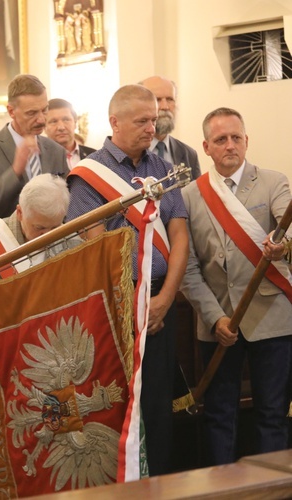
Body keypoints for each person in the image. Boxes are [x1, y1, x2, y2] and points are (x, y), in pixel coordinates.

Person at [66, 84, 189, 476]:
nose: (151, 127)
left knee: (158, 407)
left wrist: (167, 297)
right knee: (120, 408)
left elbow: (181, 235)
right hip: (117, 307)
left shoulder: (162, 168)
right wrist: (128, 302)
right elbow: (93, 248)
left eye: (153, 120)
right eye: (141, 121)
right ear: (114, 122)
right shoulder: (89, 176)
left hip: (161, 306)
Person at [180, 107, 292, 465]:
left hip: (271, 319)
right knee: (218, 415)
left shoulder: (274, 181)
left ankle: (271, 490)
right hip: (219, 322)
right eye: (220, 140)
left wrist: (283, 246)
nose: (230, 145)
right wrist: (215, 319)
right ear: (206, 147)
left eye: (236, 138)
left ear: (247, 141)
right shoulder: (188, 196)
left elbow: (287, 224)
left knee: (272, 414)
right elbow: (188, 267)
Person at [0, 74, 69, 226]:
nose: (41, 119)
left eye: (44, 110)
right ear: (11, 111)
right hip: (9, 244)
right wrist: (15, 170)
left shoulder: (56, 151)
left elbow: (68, 206)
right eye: (31, 113)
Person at [0, 173, 78, 295]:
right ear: (20, 213)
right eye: (39, 228)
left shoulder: (72, 241)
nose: (47, 236)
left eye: (55, 227)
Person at [139, 76, 201, 180]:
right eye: (157, 100)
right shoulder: (130, 153)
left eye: (170, 99)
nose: (165, 107)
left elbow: (195, 195)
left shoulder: (189, 155)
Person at [44, 98, 96, 169]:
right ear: (44, 127)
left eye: (66, 120)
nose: (61, 127)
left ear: (75, 123)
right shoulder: (38, 160)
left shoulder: (94, 156)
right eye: (54, 121)